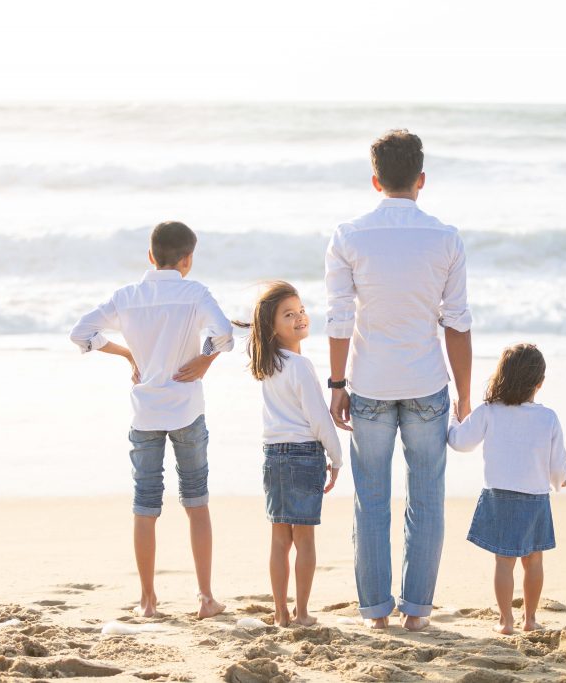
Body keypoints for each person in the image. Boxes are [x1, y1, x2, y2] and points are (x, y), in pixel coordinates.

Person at [325, 129, 473, 631]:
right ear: (422, 179)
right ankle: (417, 611)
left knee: (371, 500)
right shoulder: (446, 238)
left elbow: (339, 317)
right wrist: (466, 394)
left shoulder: (348, 235)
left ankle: (374, 613)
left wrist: (336, 384)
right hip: (428, 383)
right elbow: (457, 322)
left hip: (368, 384)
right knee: (426, 497)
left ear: (375, 180)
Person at [69, 220, 233, 619]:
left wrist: (127, 354)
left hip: (145, 413)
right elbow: (226, 333)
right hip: (187, 409)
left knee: (145, 504)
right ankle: (206, 598)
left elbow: (81, 332)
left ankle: (147, 601)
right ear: (187, 259)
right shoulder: (194, 293)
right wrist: (205, 359)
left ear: (150, 255)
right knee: (196, 502)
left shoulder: (127, 296)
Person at [235, 281, 342, 627]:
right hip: (303, 455)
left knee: (280, 538)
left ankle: (281, 612)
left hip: (273, 455)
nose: (299, 318)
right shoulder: (299, 365)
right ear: (271, 326)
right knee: (304, 538)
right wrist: (336, 458)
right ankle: (303, 612)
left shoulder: (268, 366)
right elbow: (319, 418)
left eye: (301, 311)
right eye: (288, 314)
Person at [447, 343, 566, 635]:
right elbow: (557, 465)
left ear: (502, 375)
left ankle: (506, 621)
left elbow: (460, 442)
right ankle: (530, 619)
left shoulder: (489, 411)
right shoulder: (548, 417)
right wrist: (559, 480)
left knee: (504, 562)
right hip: (535, 497)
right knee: (534, 560)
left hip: (499, 496)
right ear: (539, 383)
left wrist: (454, 418)